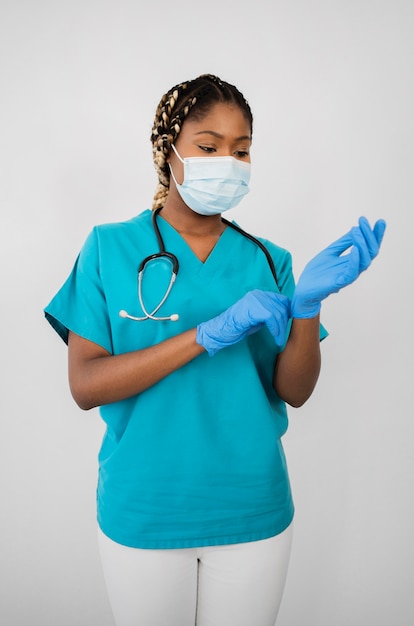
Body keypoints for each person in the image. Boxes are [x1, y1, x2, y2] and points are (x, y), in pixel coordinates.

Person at [44, 73, 386, 626]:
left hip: (253, 505)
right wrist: (204, 336)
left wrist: (307, 306)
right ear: (169, 149)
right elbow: (85, 386)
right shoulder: (109, 247)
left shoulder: (268, 260)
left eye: (242, 150)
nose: (227, 162)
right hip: (146, 507)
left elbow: (294, 392)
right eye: (208, 147)